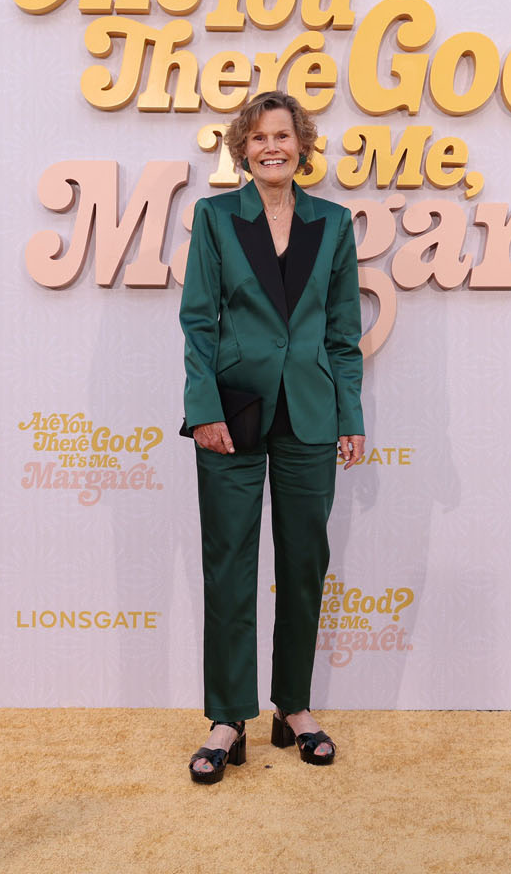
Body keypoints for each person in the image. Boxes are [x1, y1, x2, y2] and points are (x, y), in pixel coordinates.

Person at [180, 90, 366, 784]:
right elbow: (198, 321)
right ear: (242, 148)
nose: (271, 147)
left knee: (304, 565)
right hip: (232, 413)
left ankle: (294, 706)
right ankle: (228, 718)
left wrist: (349, 415)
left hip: (310, 413)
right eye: (257, 138)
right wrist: (204, 408)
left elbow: (343, 334)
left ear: (302, 144)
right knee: (229, 563)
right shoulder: (215, 217)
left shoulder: (334, 223)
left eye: (282, 136)